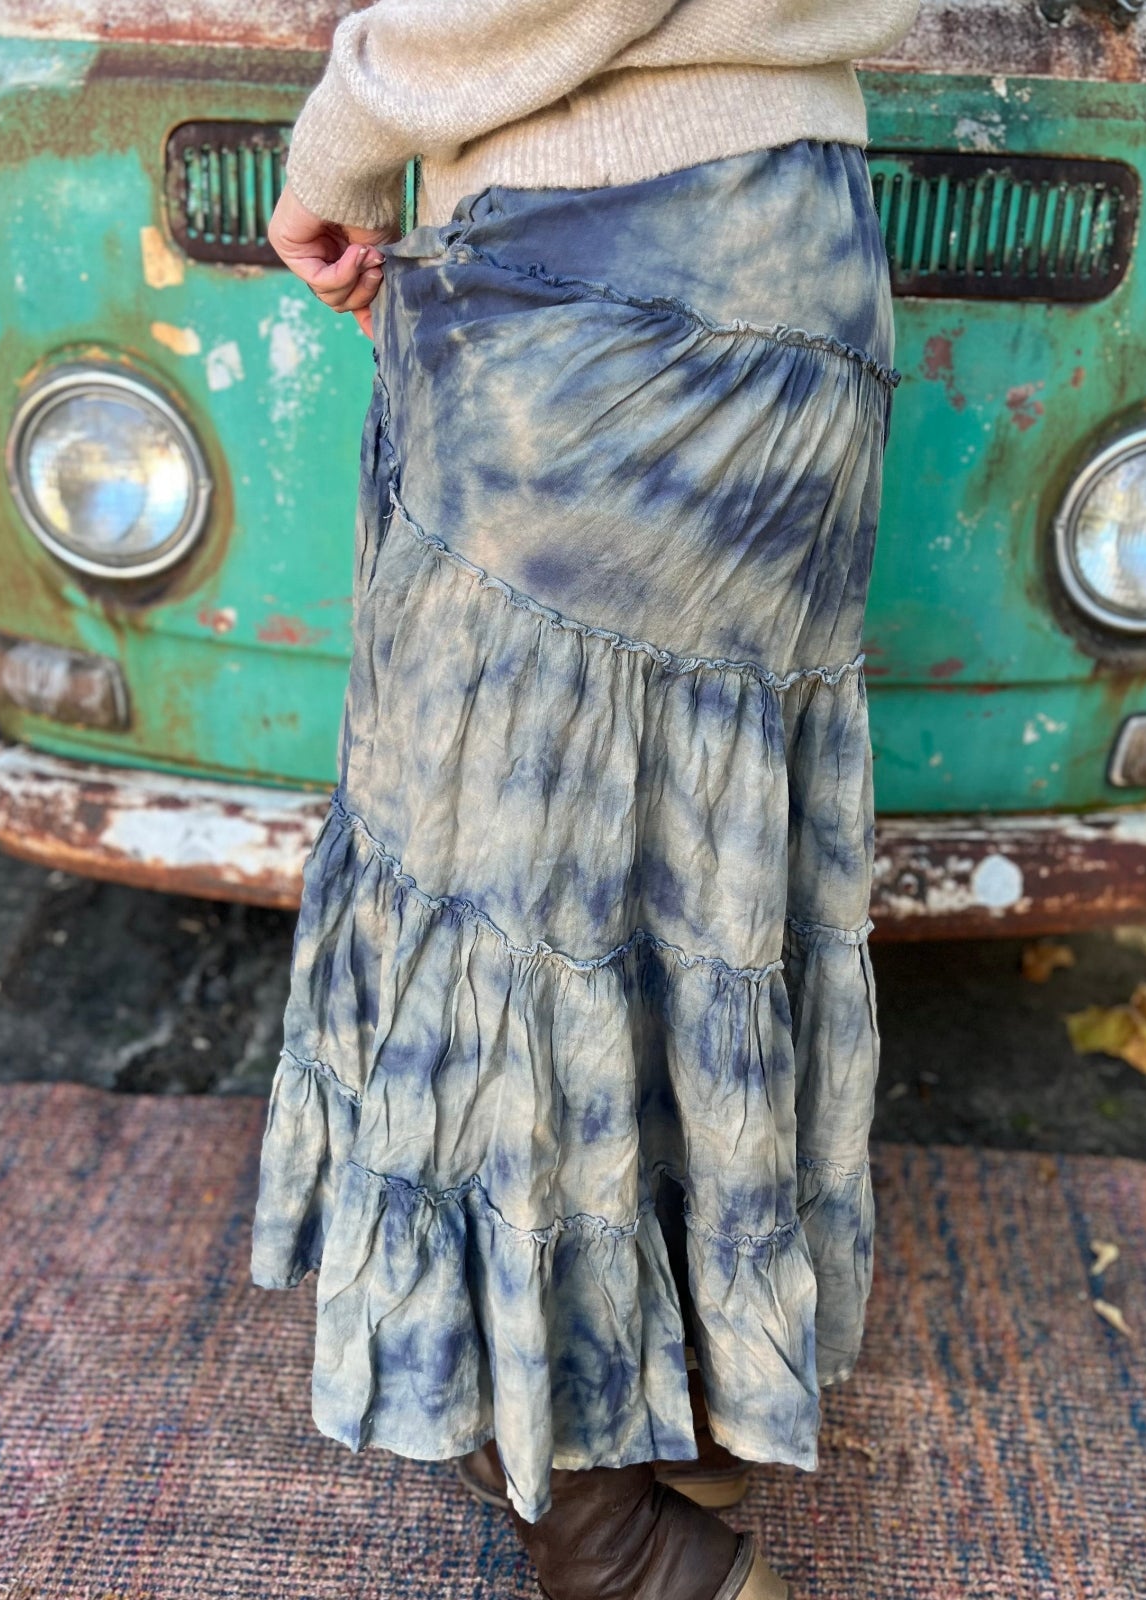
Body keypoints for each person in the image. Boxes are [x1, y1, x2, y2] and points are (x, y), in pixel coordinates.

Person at [250, 3, 920, 1595]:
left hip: (613, 277)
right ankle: (689, 1381)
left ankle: (600, 1526)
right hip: (797, 249)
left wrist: (343, 134)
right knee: (699, 862)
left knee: (509, 892)